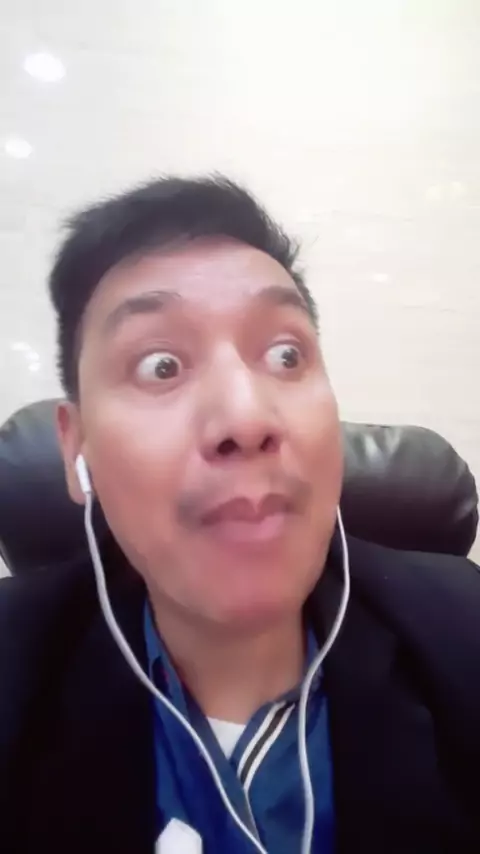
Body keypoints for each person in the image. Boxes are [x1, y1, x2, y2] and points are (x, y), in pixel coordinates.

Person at [0, 176, 479, 854]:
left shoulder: (465, 631)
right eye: (161, 365)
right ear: (77, 447)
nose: (246, 417)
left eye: (286, 355)